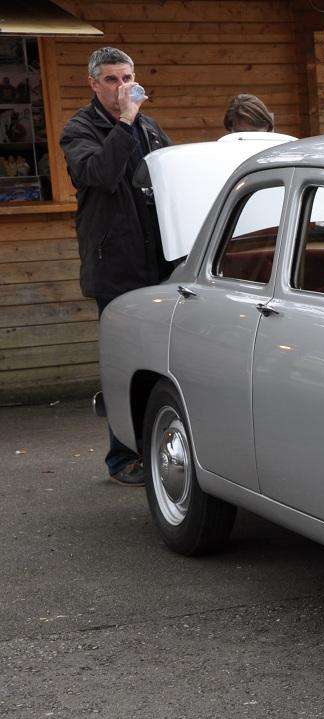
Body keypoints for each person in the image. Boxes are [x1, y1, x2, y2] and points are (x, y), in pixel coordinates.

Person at [60, 47, 171, 486]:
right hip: (115, 266)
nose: (122, 88)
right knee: (125, 361)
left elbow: (169, 177)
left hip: (156, 261)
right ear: (93, 83)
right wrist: (125, 122)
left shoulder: (149, 127)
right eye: (111, 79)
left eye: (127, 78)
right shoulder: (78, 130)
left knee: (159, 360)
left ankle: (157, 449)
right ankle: (121, 457)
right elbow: (100, 174)